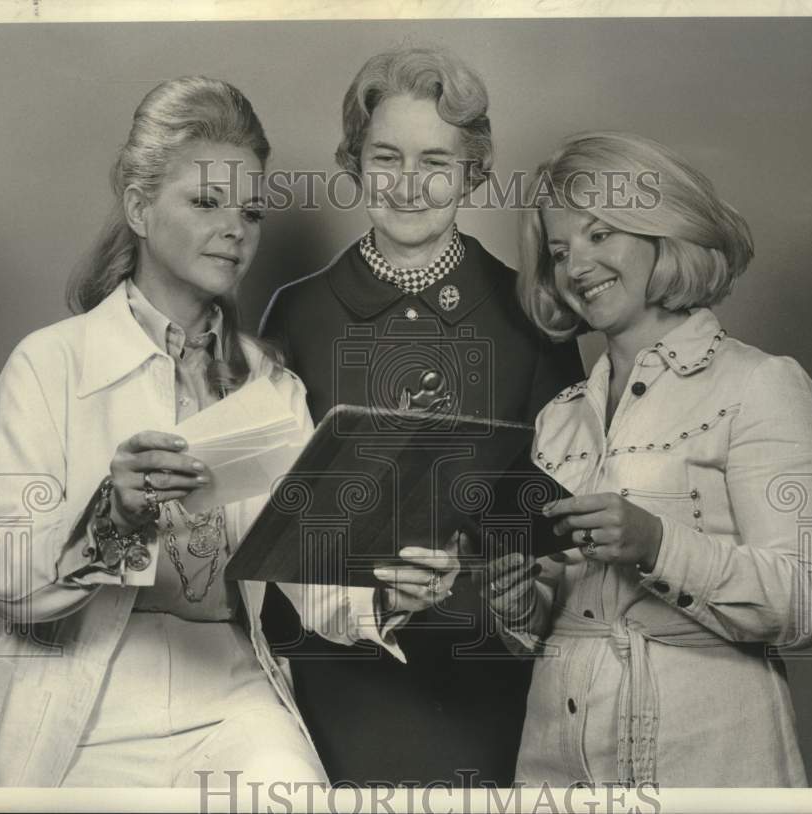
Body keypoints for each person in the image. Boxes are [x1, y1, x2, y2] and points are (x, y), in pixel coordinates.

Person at [0, 76, 395, 789]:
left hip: (227, 690)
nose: (236, 229)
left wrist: (391, 593)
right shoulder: (50, 363)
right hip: (84, 694)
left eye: (251, 211)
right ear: (139, 208)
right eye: (206, 202)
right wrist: (113, 517)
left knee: (290, 789)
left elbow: (314, 574)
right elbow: (0, 575)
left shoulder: (272, 386)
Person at [259, 46, 584, 786]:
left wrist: (526, 588)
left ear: (473, 171)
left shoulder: (533, 315)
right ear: (354, 162)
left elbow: (565, 520)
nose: (408, 184)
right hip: (338, 681)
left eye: (435, 161)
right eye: (386, 157)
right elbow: (269, 528)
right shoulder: (297, 314)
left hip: (492, 684)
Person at [484, 131, 812, 786]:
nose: (576, 267)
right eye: (559, 252)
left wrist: (656, 544)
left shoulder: (759, 384)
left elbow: (806, 604)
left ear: (662, 233)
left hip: (707, 762)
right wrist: (519, 601)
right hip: (554, 767)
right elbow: (553, 616)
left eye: (599, 234)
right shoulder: (559, 417)